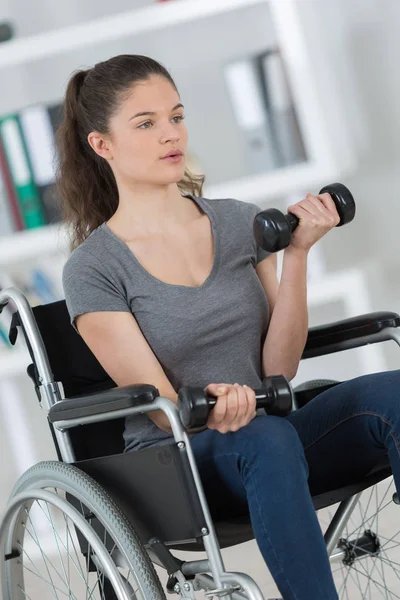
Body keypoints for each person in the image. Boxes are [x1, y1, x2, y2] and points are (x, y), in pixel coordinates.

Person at [58, 54, 400, 600]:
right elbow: (158, 405)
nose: (170, 135)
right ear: (104, 145)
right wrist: (212, 405)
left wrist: (299, 256)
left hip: (274, 436)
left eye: (175, 117)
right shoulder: (94, 269)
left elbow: (279, 371)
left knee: (394, 394)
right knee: (264, 437)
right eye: (146, 124)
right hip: (180, 465)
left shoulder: (241, 222)